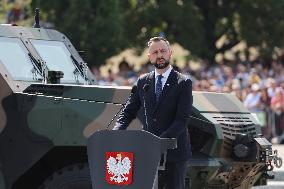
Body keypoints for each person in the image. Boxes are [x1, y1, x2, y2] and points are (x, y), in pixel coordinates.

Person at [113, 36, 193, 189]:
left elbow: (182, 119)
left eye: (163, 51)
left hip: (174, 153)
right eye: (155, 52)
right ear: (150, 57)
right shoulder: (143, 81)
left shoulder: (183, 82)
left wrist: (159, 142)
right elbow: (128, 111)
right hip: (149, 153)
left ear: (170, 53)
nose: (160, 55)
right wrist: (117, 131)